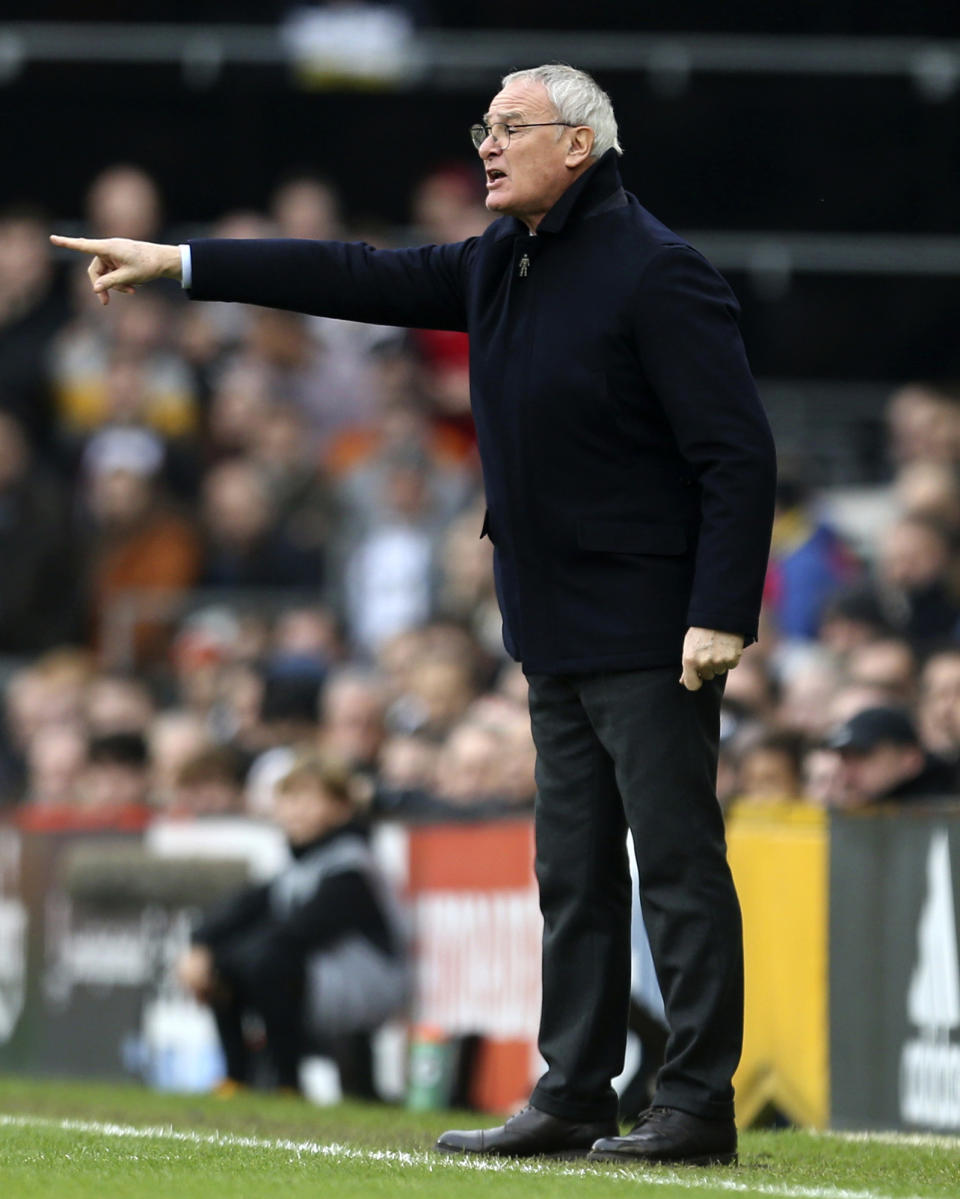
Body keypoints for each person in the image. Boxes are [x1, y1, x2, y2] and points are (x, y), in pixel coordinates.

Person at [52, 62, 776, 1165]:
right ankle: (576, 1089)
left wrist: (721, 609)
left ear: (578, 145)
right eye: (483, 125)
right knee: (571, 871)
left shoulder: (656, 271)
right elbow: (352, 271)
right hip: (550, 625)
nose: (487, 143)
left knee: (674, 864)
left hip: (653, 627)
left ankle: (694, 1103)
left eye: (510, 126)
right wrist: (183, 262)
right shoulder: (502, 262)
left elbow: (737, 451)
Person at [176, 752, 408, 1095]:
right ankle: (235, 1077)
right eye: (288, 799)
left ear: (341, 807)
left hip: (367, 983)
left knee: (268, 961)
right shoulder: (299, 862)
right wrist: (201, 947)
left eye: (309, 799)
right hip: (323, 975)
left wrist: (226, 959)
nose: (295, 810)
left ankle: (287, 1081)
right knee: (230, 958)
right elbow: (243, 908)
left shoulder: (352, 865)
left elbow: (300, 931)